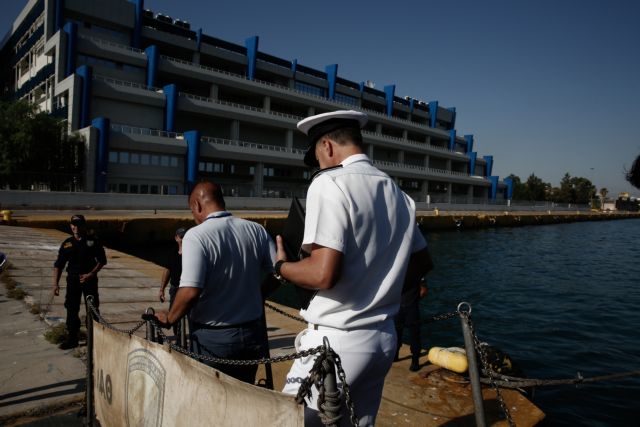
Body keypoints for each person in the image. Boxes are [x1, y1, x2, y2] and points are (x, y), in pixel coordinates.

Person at [275, 110, 432, 426]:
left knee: (285, 420)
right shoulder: (398, 194)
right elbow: (421, 263)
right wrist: (377, 285)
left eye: (317, 158)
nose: (319, 166)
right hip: (382, 339)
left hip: (336, 341)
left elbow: (322, 274)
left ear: (327, 146)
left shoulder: (328, 183)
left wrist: (282, 266)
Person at [154, 181, 276, 384]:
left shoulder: (196, 235)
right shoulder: (256, 230)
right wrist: (260, 294)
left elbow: (190, 290)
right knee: (246, 394)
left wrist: (170, 318)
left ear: (197, 205)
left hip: (213, 339)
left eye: (192, 211)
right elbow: (279, 272)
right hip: (252, 334)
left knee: (210, 396)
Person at [53, 214, 107, 350]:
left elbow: (102, 261)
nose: (75, 227)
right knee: (71, 309)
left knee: (92, 309)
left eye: (78, 225)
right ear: (71, 226)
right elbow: (59, 265)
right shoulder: (67, 243)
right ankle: (72, 339)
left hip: (89, 280)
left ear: (84, 226)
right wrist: (55, 284)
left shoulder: (93, 241)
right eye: (73, 225)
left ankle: (94, 339)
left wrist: (91, 274)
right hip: (73, 280)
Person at [394, 275, 430, 372]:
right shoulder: (405, 271)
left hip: (408, 307)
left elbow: (424, 290)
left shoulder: (416, 273)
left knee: (414, 334)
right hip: (402, 306)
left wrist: (414, 300)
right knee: (397, 332)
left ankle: (415, 360)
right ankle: (396, 355)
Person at [158, 227, 186, 338]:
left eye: (185, 236)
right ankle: (178, 339)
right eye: (181, 236)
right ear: (176, 238)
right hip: (175, 289)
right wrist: (162, 290)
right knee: (174, 316)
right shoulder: (172, 253)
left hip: (188, 289)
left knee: (192, 316)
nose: (183, 239)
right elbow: (167, 270)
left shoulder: (192, 253)